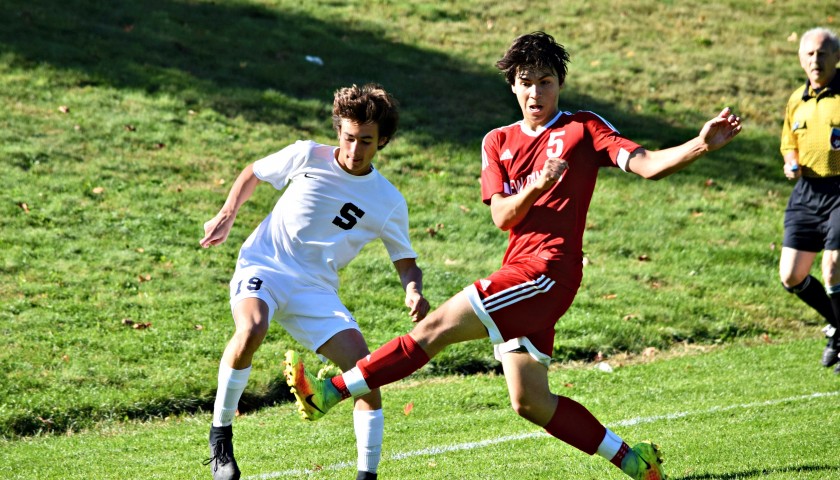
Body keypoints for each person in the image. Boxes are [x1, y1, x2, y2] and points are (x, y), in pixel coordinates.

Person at [284, 32, 741, 480]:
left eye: (545, 81)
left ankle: (331, 391)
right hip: (520, 271)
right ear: (513, 86)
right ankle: (636, 463)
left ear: (559, 84)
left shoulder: (583, 129)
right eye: (526, 82)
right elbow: (502, 216)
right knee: (531, 402)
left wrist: (701, 144)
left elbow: (648, 164)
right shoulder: (497, 141)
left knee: (435, 328)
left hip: (548, 272)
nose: (536, 92)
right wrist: (538, 185)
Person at [200, 83, 430, 480]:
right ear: (339, 130)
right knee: (252, 328)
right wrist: (228, 212)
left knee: (365, 373)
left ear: (383, 142)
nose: (354, 150)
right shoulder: (307, 154)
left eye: (366, 141)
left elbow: (406, 263)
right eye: (349, 137)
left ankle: (367, 475)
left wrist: (413, 289)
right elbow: (254, 172)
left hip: (316, 290)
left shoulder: (388, 201)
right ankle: (220, 438)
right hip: (265, 265)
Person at [778, 27, 840, 372]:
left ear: (837, 57)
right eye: (810, 54)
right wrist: (791, 162)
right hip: (807, 191)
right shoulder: (796, 100)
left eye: (822, 53)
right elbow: (789, 142)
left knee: (832, 266)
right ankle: (838, 326)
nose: (816, 60)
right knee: (791, 275)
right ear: (801, 59)